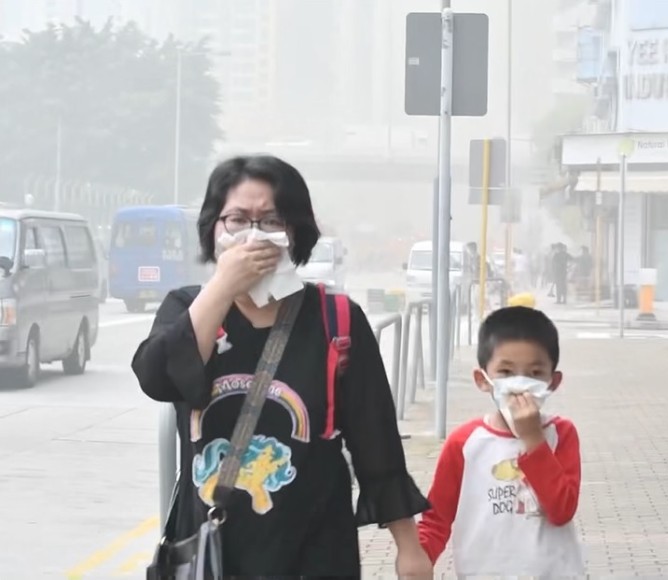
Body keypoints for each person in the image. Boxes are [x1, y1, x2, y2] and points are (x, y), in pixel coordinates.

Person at [132, 155, 433, 578]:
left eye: (271, 221)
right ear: (212, 229)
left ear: (296, 232)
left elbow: (376, 440)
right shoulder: (190, 310)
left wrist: (408, 546)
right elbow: (157, 378)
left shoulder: (335, 319)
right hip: (212, 551)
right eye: (236, 219)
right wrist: (221, 287)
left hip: (313, 550)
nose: (253, 234)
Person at [417, 306, 585, 577]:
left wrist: (532, 439)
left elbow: (561, 510)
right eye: (506, 372)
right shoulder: (465, 443)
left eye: (534, 373)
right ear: (482, 380)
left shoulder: (561, 434)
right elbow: (436, 519)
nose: (520, 383)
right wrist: (419, 556)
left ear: (553, 382)